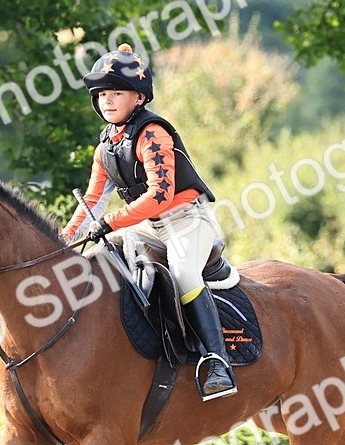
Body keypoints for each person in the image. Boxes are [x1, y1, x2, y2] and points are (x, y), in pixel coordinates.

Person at [61, 44, 237, 401]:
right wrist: (64, 238)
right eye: (101, 95)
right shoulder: (105, 147)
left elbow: (160, 194)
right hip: (148, 227)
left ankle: (218, 362)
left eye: (116, 93)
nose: (106, 101)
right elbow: (93, 200)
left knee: (185, 273)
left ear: (139, 98)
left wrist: (110, 222)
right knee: (97, 261)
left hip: (187, 218)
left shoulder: (152, 134)